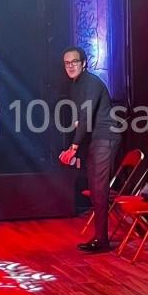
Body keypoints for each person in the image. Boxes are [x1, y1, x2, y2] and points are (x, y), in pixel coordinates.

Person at [58, 46, 120, 253]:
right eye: (67, 63)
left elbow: (86, 116)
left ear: (84, 63)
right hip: (94, 140)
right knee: (95, 189)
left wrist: (74, 147)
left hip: (105, 138)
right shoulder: (75, 85)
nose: (70, 66)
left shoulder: (91, 83)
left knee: (99, 189)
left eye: (74, 62)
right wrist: (77, 148)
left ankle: (102, 240)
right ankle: (100, 237)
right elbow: (80, 121)